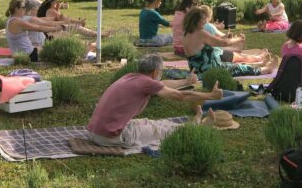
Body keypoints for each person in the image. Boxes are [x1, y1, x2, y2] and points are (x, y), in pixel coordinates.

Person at [86, 54, 223, 148]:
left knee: (148, 123)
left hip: (95, 133)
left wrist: (186, 81)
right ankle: (194, 130)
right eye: (160, 70)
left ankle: (193, 125)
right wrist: (210, 96)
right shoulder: (146, 82)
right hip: (110, 136)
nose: (160, 73)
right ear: (155, 71)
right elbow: (180, 96)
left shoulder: (131, 77)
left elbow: (163, 84)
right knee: (157, 130)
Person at [182, 7, 276, 77]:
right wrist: (239, 39)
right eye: (203, 20)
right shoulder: (200, 33)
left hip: (197, 71)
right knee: (239, 68)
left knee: (235, 65)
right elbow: (224, 43)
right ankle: (266, 69)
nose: (205, 22)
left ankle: (261, 64)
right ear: (196, 20)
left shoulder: (186, 32)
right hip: (210, 71)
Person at [5, 0, 70, 61]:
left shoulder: (10, 20)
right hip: (29, 55)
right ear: (16, 9)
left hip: (25, 53)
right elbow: (39, 28)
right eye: (23, 7)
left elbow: (42, 21)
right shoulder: (17, 22)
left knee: (51, 46)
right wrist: (57, 28)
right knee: (59, 49)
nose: (25, 9)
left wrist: (57, 22)